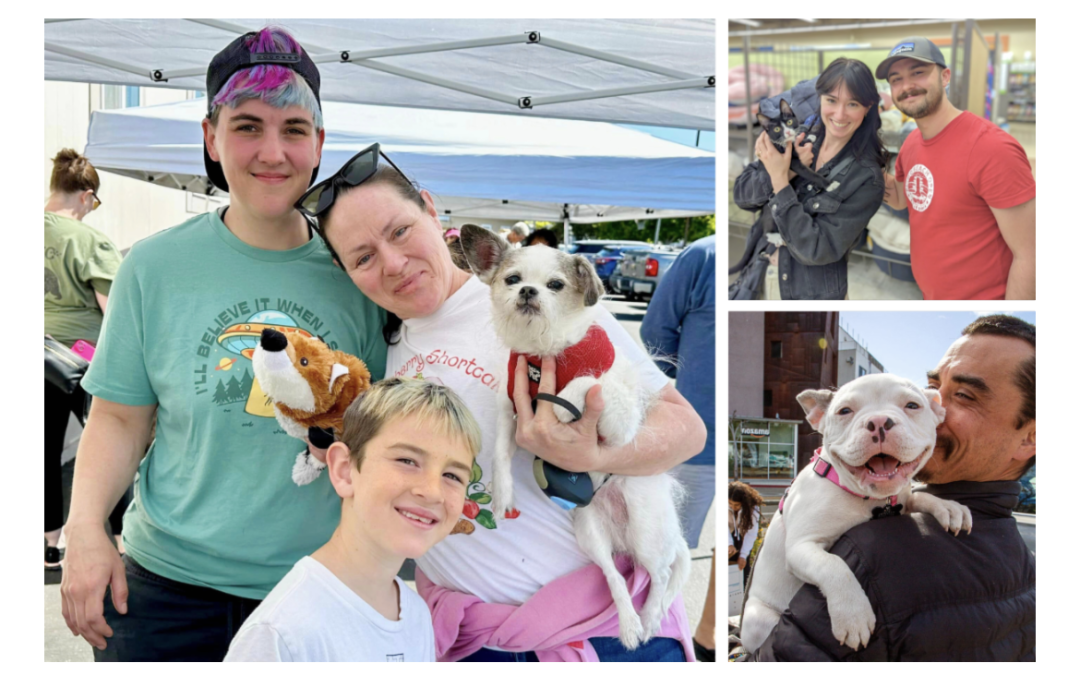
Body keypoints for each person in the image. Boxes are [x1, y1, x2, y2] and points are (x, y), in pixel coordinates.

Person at [60, 27, 387, 661]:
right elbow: (122, 416)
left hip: (322, 587)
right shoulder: (153, 267)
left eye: (295, 129)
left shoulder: (363, 272)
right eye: (247, 125)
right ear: (210, 136)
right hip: (165, 592)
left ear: (319, 144)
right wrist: (85, 530)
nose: (273, 151)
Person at [307, 149, 707, 661]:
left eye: (400, 231)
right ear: (346, 271)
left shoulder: (543, 301)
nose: (393, 264)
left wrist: (595, 457)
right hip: (472, 642)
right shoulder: (384, 350)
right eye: (362, 257)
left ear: (431, 210)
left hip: (604, 639)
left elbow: (687, 430)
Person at [750, 314, 1035, 661]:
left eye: (962, 395)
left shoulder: (866, 555)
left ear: (1031, 436)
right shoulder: (1026, 565)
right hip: (768, 612)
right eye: (931, 389)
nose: (938, 408)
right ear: (819, 420)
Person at [225, 378, 482, 661]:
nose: (433, 492)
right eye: (407, 461)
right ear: (345, 470)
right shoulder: (281, 633)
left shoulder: (417, 614)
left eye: (453, 476)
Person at [879, 37, 1036, 300]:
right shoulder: (912, 143)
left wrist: (1003, 322)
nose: (906, 86)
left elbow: (1031, 255)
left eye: (918, 72)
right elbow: (900, 199)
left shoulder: (991, 148)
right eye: (896, 79)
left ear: (945, 76)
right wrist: (859, 170)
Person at [734, 58, 887, 300]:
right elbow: (742, 197)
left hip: (807, 296)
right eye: (831, 100)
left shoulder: (866, 178)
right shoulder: (797, 135)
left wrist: (780, 178)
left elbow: (816, 250)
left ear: (868, 107)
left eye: (853, 104)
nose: (840, 114)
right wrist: (791, 170)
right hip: (757, 281)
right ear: (820, 98)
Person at [44, 149, 130, 568]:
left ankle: (46, 545)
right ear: (86, 195)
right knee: (111, 438)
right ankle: (117, 540)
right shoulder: (88, 240)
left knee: (41, 449)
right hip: (76, 362)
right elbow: (116, 312)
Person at [639, 234, 716, 660]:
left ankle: (706, 641)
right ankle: (650, 638)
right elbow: (656, 330)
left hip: (738, 441)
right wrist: (683, 387)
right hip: (694, 440)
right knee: (664, 550)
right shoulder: (703, 254)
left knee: (739, 551)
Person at [727, 482, 762, 576]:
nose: (733, 507)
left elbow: (751, 533)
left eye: (736, 505)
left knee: (743, 568)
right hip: (728, 535)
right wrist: (729, 544)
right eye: (730, 503)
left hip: (743, 538)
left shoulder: (753, 509)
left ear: (744, 503)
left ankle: (743, 589)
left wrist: (743, 555)